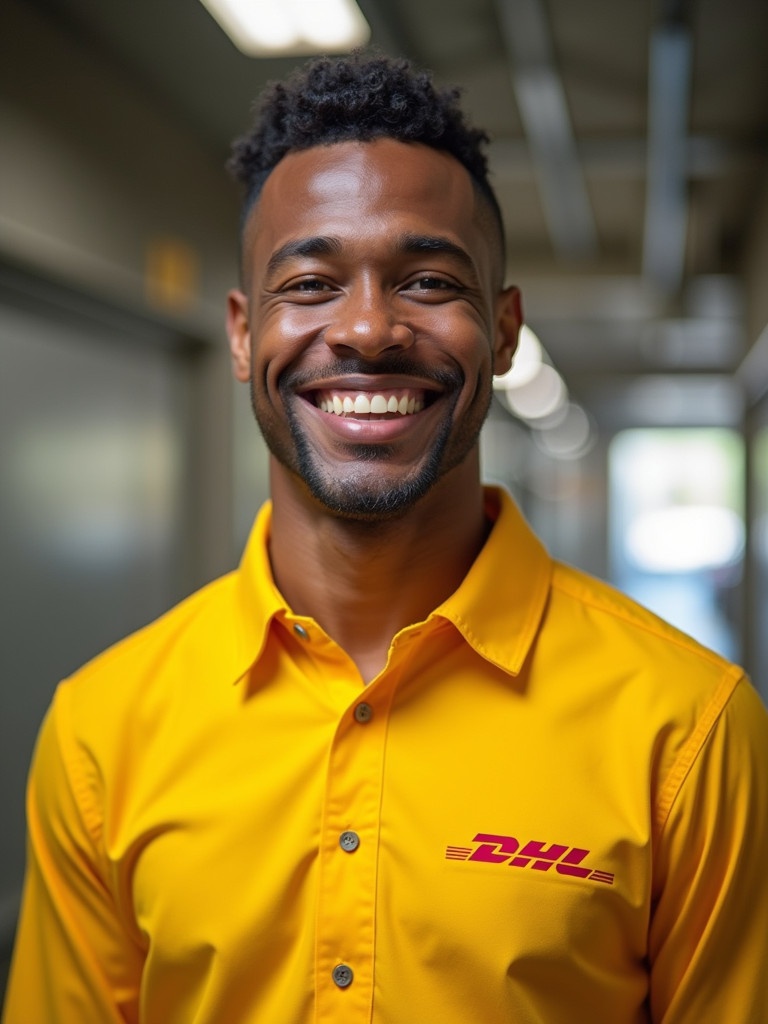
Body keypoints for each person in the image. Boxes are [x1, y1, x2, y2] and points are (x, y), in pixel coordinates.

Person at [3, 51, 768, 1024]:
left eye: (427, 280)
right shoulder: (101, 733)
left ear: (501, 330)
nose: (368, 327)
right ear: (243, 335)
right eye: (312, 283)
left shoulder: (687, 729)